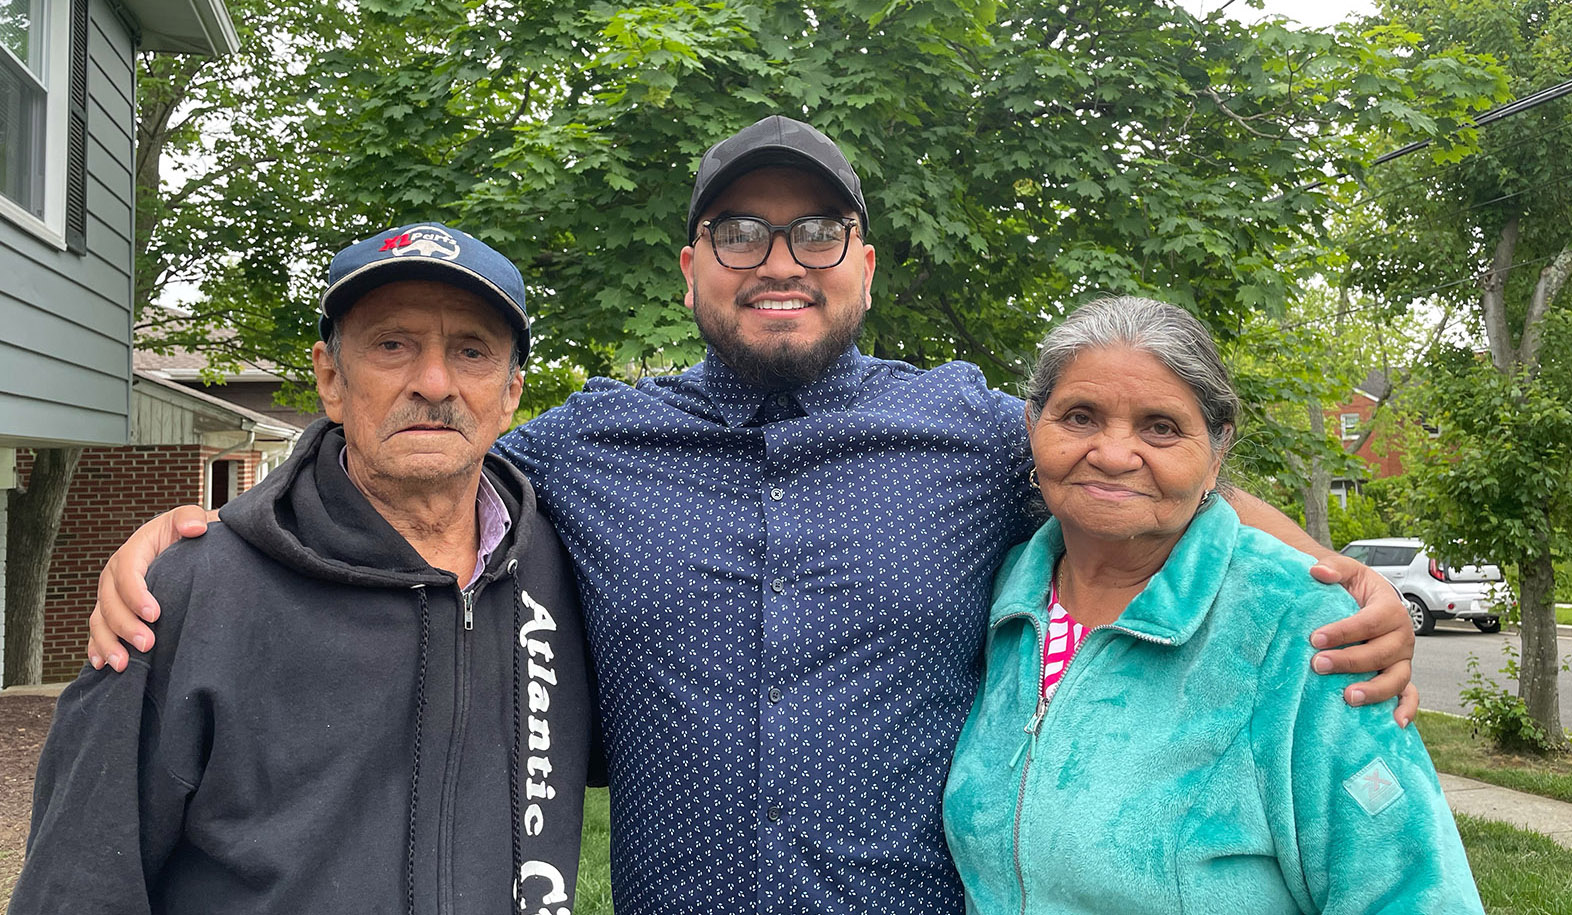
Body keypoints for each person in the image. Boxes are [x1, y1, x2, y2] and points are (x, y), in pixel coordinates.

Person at [86, 118, 1418, 915]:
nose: (778, 258)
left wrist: (1337, 576)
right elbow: (408, 452)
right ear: (691, 269)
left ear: (866, 265)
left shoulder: (970, 432)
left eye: (817, 230)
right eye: (738, 231)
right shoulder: (586, 446)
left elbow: (1145, 468)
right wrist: (192, 537)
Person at [16, 224, 592, 914]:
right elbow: (77, 885)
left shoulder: (562, 574)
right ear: (330, 377)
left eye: (471, 351)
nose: (433, 382)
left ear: (510, 392)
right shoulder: (184, 595)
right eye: (391, 345)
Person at [943, 297, 1480, 914]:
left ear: (1217, 447)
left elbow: (1411, 890)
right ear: (1034, 422)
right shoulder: (1006, 599)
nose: (1115, 454)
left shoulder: (1300, 624)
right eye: (1080, 417)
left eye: (1161, 427)